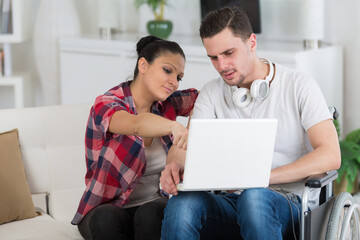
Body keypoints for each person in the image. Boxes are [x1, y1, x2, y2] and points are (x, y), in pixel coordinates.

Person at [160, 7, 341, 240]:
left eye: (228, 53)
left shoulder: (299, 85)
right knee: (182, 204)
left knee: (254, 197)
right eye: (213, 58)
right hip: (231, 202)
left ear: (251, 43)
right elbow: (184, 147)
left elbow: (330, 155)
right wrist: (174, 166)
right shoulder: (211, 93)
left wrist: (263, 177)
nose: (222, 65)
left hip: (290, 203)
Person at [71, 35, 198, 240]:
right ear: (143, 65)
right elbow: (136, 125)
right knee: (106, 218)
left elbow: (207, 98)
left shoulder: (167, 104)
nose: (174, 82)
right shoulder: (106, 104)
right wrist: (175, 127)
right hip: (106, 209)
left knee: (151, 213)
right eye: (167, 70)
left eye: (179, 77)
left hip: (151, 207)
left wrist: (187, 136)